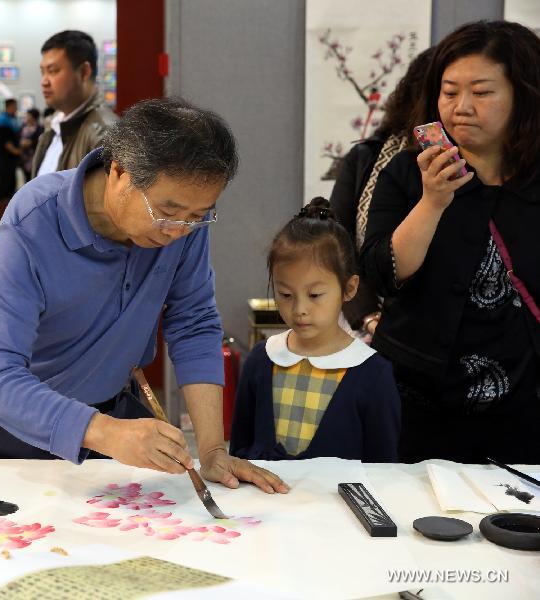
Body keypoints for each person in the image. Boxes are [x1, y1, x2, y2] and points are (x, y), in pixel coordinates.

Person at [0, 97, 288, 495]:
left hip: (113, 419)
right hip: (16, 429)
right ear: (118, 172)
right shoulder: (33, 220)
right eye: (168, 210)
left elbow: (194, 324)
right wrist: (106, 433)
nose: (179, 230)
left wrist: (214, 449)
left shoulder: (182, 227)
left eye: (199, 215)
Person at [360, 20, 540, 464]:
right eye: (449, 90)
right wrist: (432, 201)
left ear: (523, 94)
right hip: (416, 398)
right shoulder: (407, 173)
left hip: (524, 400)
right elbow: (384, 272)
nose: (461, 107)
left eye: (481, 92)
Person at [229, 198, 400, 462]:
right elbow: (239, 454)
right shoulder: (262, 359)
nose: (300, 309)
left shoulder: (372, 373)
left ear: (349, 288)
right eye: (285, 294)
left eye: (315, 294)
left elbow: (384, 468)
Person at [329, 48, 434, 340]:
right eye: (448, 91)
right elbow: (337, 243)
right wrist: (368, 317)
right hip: (367, 326)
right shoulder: (368, 158)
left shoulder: (481, 168)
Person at [33, 30, 117, 177]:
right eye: (43, 72)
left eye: (53, 71)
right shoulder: (53, 124)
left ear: (84, 72)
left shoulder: (104, 134)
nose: (44, 81)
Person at [0, 98, 21, 221]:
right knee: (5, 183)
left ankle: (8, 212)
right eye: (14, 107)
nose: (15, 109)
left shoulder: (12, 120)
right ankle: (1, 212)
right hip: (4, 158)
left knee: (11, 182)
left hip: (11, 159)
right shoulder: (2, 121)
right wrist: (16, 151)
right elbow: (5, 142)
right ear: (8, 107)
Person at [19, 107, 42, 182]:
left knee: (35, 177)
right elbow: (17, 137)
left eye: (29, 116)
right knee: (26, 177)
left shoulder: (40, 128)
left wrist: (30, 143)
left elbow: (40, 141)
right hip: (24, 157)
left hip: (34, 156)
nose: (27, 117)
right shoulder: (23, 126)